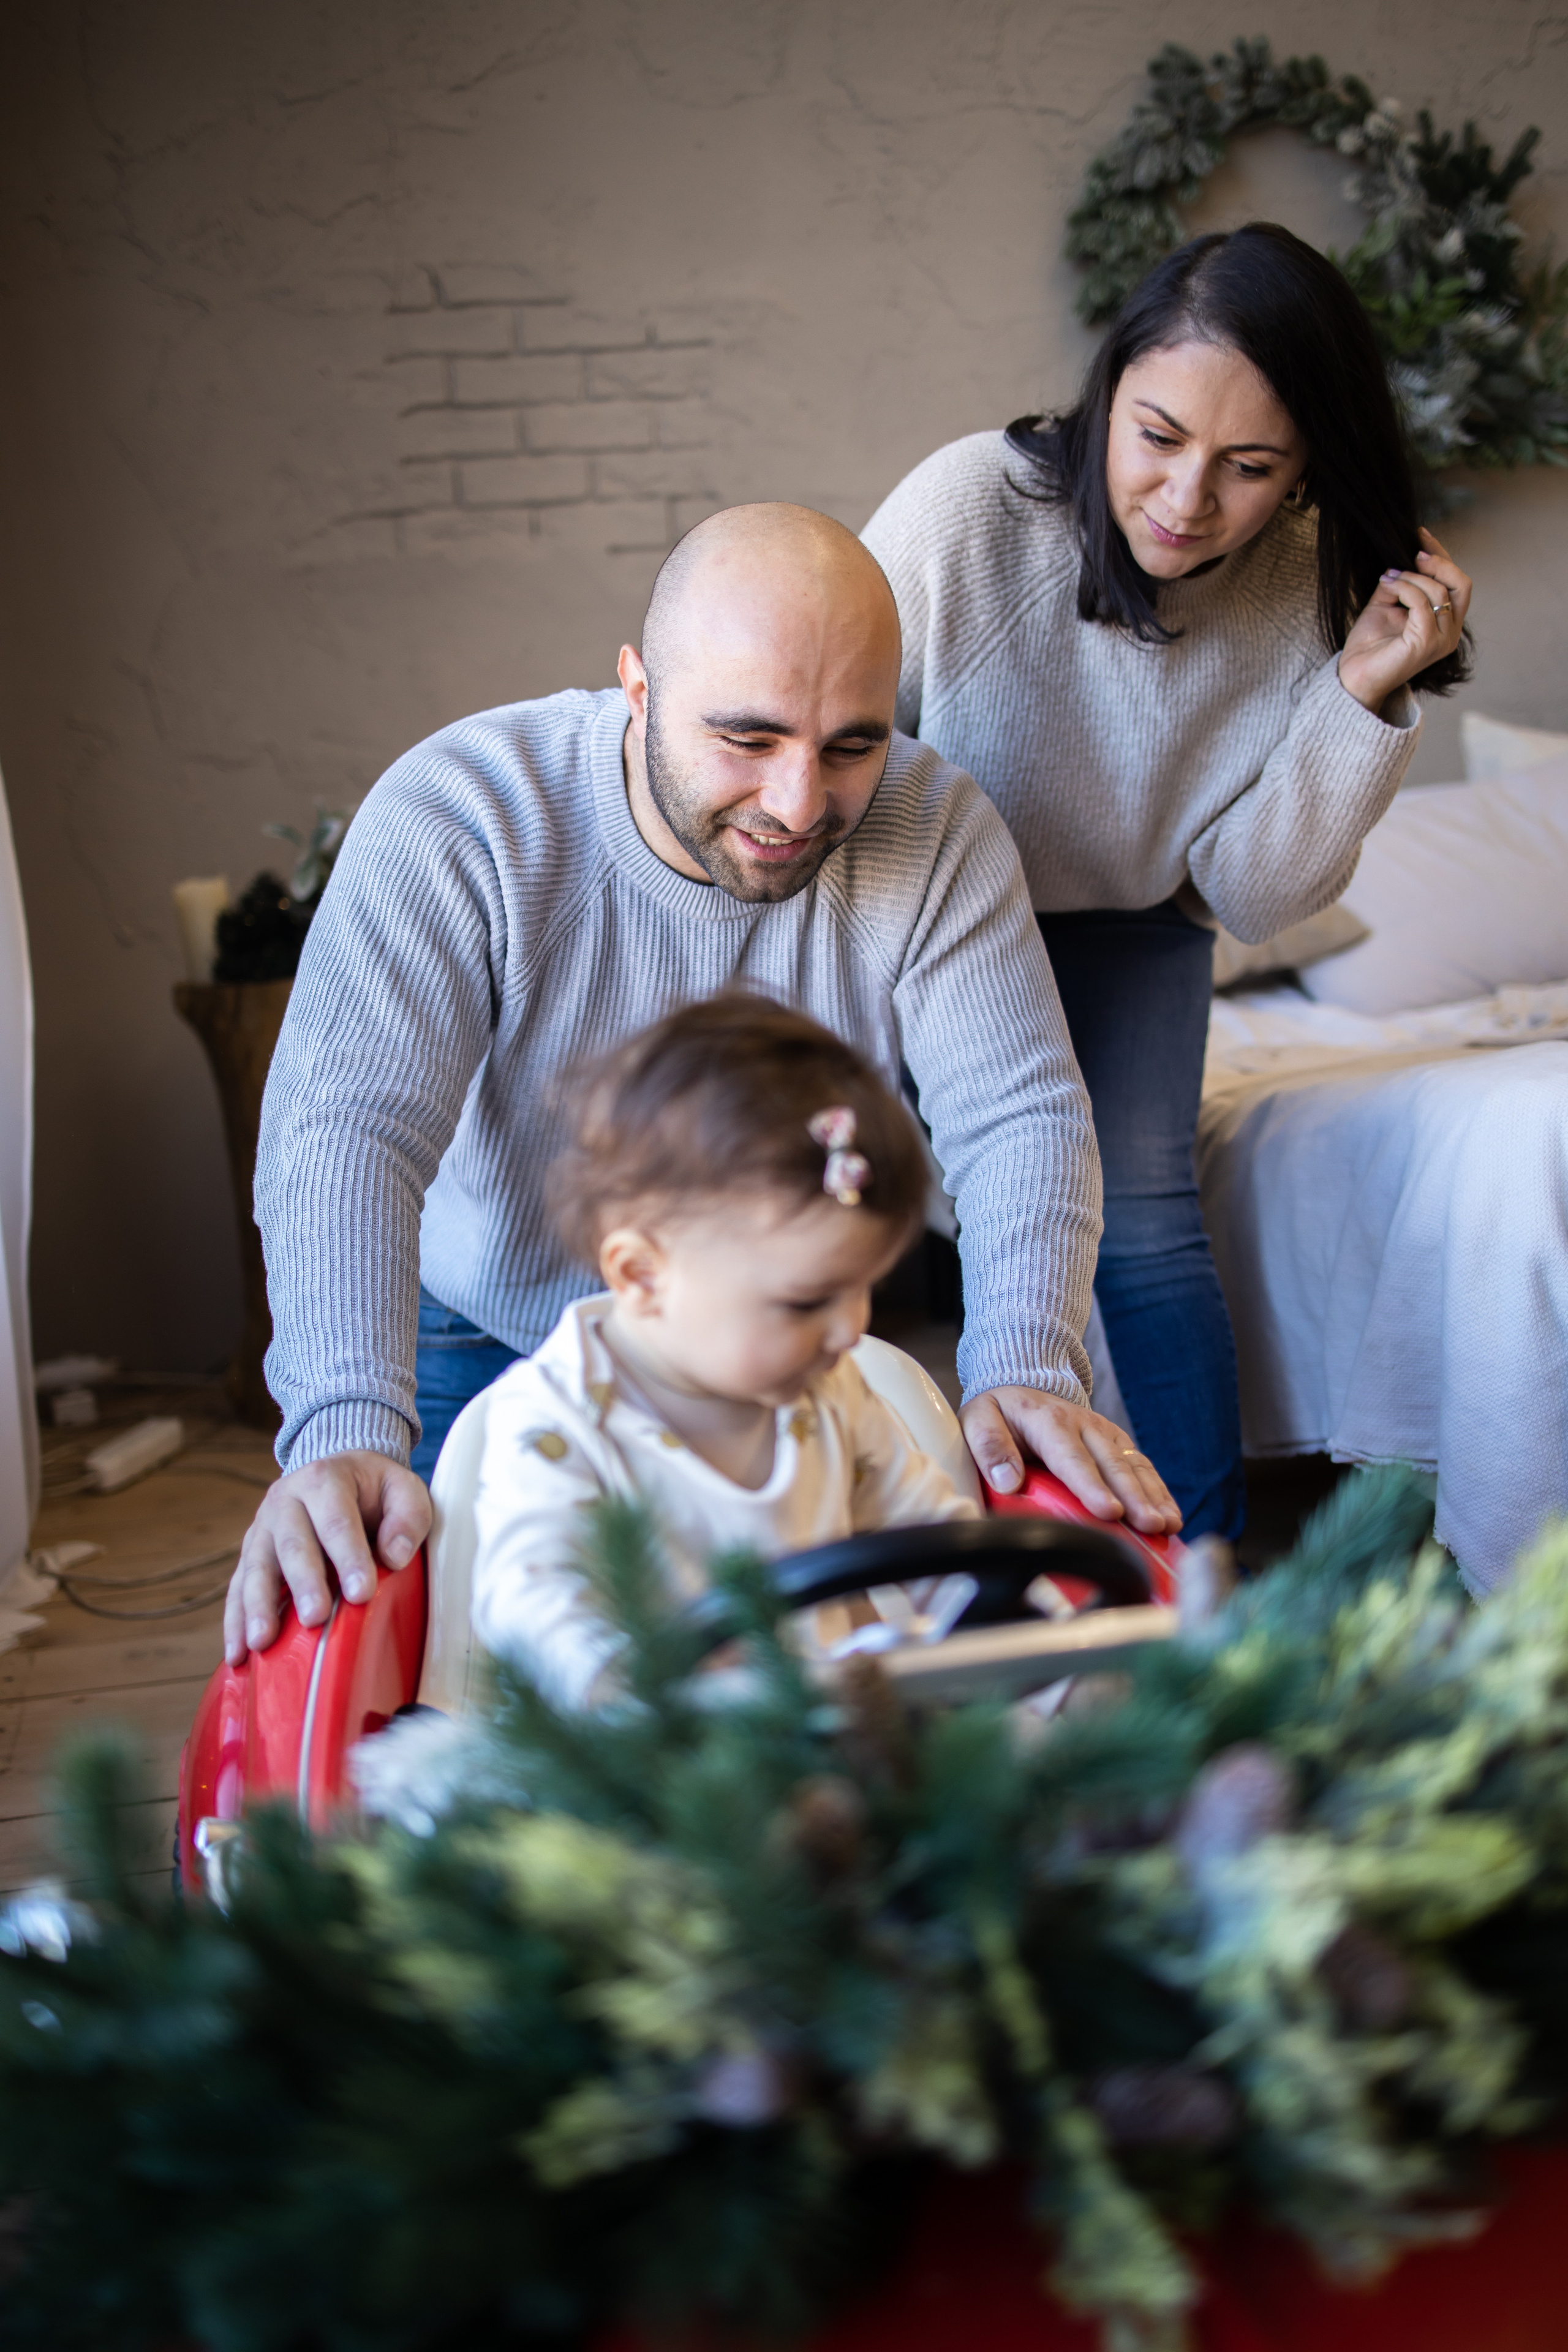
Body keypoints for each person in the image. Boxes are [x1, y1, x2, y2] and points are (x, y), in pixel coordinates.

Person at [227, 502, 1180, 1670]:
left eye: (851, 747)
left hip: (779, 1330)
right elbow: (347, 1130)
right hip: (487, 1321)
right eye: (748, 739)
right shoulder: (459, 815)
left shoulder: (935, 830)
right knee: (465, 1663)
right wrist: (342, 1427)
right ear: (636, 690)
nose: (796, 803)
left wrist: (1027, 1359)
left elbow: (1017, 1112)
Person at [861, 221, 1474, 1542]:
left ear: (1307, 465)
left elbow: (1252, 894)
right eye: (1154, 435)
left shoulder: (1312, 580)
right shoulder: (966, 508)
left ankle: (1199, 1587)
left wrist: (1364, 694)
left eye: (1248, 466)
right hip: (925, 922)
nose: (1185, 499)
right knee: (906, 1228)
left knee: (1141, 1236)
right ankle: (970, 1578)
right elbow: (846, 744)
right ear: (1106, 392)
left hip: (1137, 924)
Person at [470, 995, 981, 1711]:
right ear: (644, 1276)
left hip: (825, 1759)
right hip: (649, 1780)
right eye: (808, 1301)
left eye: (866, 1287)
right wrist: (648, 1694)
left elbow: (939, 1544)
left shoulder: (832, 1393)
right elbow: (532, 1612)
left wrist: (1044, 1651)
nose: (850, 1331)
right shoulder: (559, 1421)